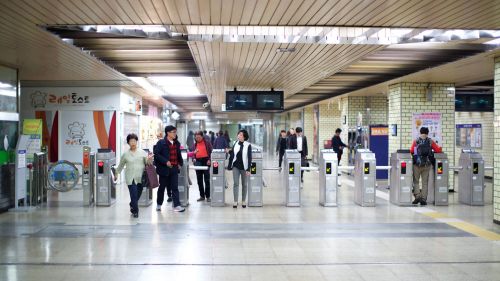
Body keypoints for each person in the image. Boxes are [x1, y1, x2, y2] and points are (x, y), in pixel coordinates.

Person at [114, 133, 152, 218]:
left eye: (134, 141)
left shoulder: (142, 152)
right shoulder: (125, 154)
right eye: (131, 141)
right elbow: (120, 165)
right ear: (128, 143)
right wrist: (117, 174)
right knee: (133, 194)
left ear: (137, 142)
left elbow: (148, 163)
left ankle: (132, 204)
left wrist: (149, 159)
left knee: (138, 194)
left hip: (140, 178)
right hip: (130, 178)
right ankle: (135, 211)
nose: (133, 142)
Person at [154, 125, 185, 212]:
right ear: (168, 133)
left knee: (175, 187)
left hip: (174, 168)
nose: (175, 134)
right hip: (164, 169)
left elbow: (179, 154)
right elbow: (157, 154)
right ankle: (159, 204)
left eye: (175, 132)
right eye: (173, 132)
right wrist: (165, 161)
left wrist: (180, 163)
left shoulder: (177, 143)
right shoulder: (161, 143)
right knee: (162, 187)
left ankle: (177, 205)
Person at [410, 127, 442, 206]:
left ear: (420, 132)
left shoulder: (416, 141)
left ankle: (417, 196)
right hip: (427, 165)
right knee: (425, 182)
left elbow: (411, 151)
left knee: (416, 181)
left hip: (417, 165)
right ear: (427, 133)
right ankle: (423, 199)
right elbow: (438, 150)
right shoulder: (430, 141)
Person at [227, 129, 252, 208]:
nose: (239, 136)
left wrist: (248, 169)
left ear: (244, 137)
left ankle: (243, 201)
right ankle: (235, 201)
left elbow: (249, 157)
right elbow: (233, 154)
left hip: (244, 167)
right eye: (238, 134)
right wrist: (228, 152)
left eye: (241, 135)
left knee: (244, 184)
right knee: (236, 184)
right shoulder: (235, 143)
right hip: (236, 166)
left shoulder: (248, 145)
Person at [190, 131, 213, 202]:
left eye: (199, 137)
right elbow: (193, 153)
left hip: (206, 161)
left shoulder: (207, 143)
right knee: (199, 180)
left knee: (207, 180)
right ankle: (202, 196)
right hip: (198, 162)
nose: (197, 139)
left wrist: (209, 159)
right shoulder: (194, 145)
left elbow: (211, 152)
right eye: (196, 137)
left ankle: (208, 196)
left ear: (202, 137)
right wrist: (193, 159)